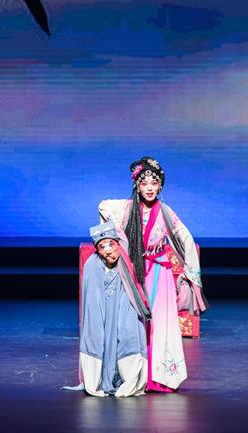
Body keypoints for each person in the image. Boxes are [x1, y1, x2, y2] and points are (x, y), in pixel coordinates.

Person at [99, 156, 208, 392]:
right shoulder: (128, 208)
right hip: (135, 273)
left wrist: (190, 274)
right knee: (131, 323)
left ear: (160, 186)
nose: (149, 188)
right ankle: (132, 374)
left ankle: (158, 377)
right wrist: (111, 244)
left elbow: (186, 238)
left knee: (160, 324)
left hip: (159, 272)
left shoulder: (165, 212)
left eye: (154, 183)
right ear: (137, 186)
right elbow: (103, 207)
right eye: (144, 183)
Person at [68, 221, 152, 397]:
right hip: (102, 313)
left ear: (118, 245)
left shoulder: (127, 266)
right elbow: (91, 302)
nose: (107, 251)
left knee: (127, 333)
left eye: (111, 245)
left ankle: (128, 379)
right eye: (102, 247)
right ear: (97, 250)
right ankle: (96, 380)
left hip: (122, 310)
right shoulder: (92, 265)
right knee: (98, 336)